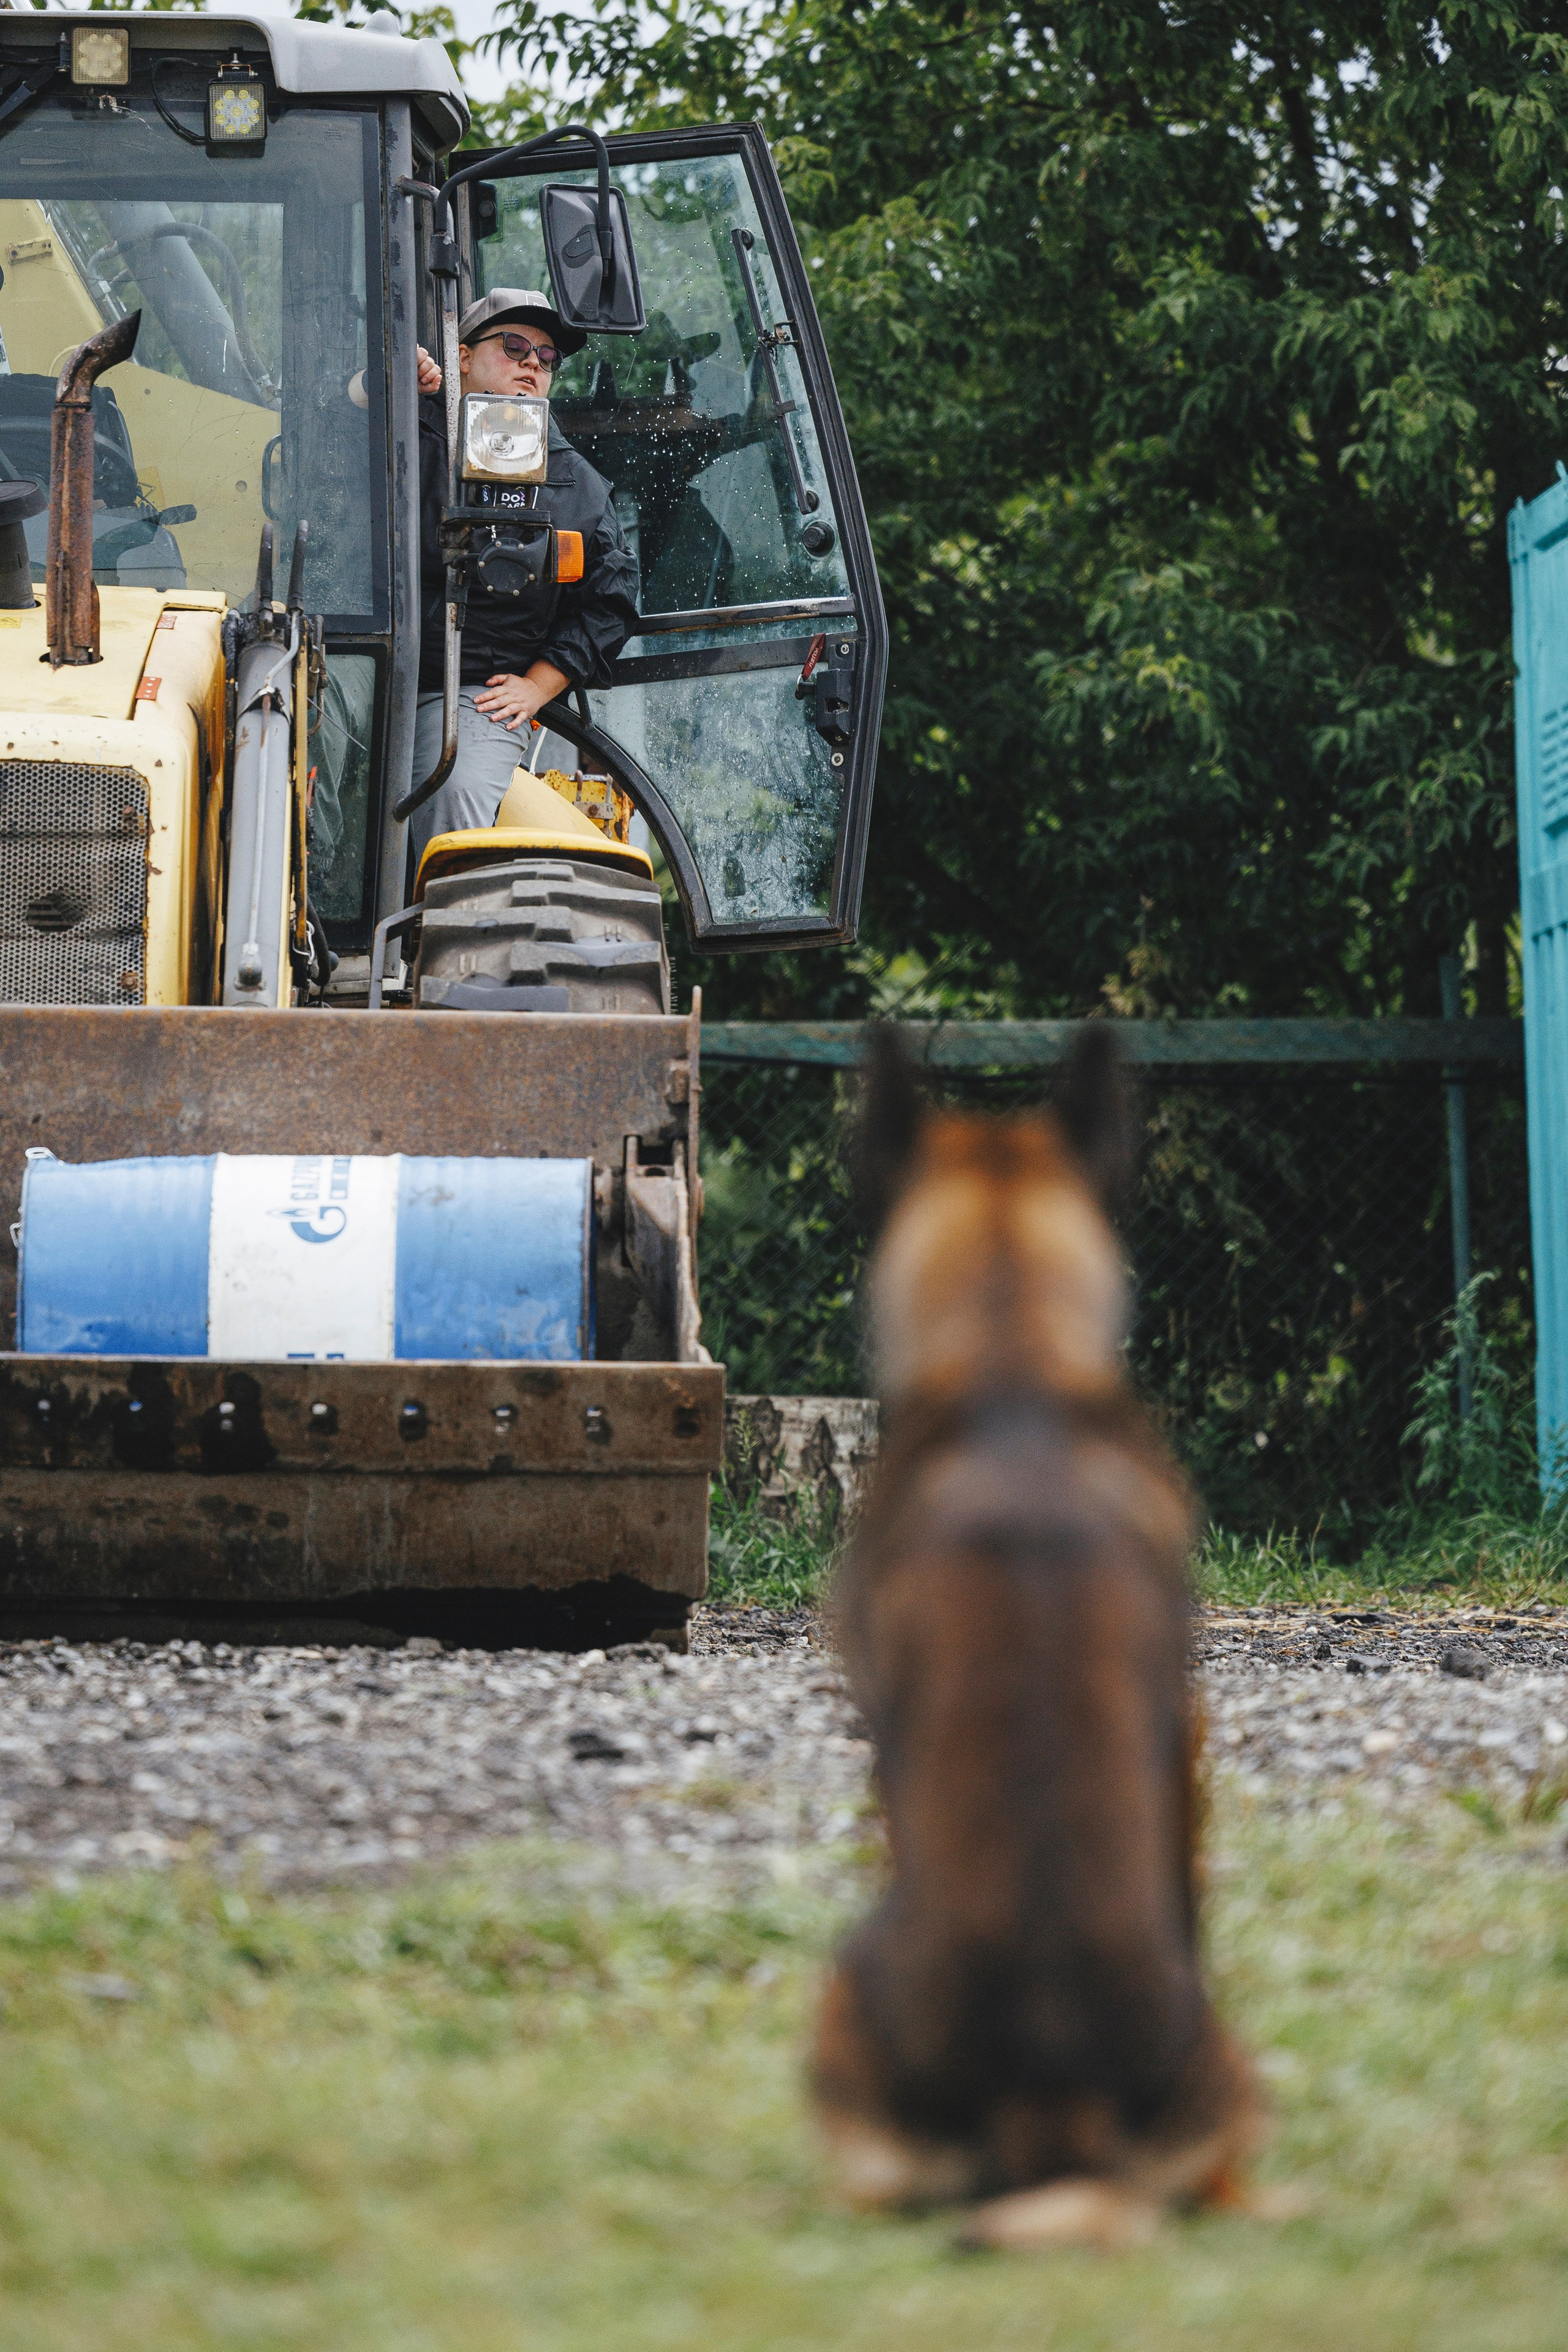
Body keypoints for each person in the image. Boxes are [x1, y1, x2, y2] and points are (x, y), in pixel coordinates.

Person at [409, 288, 639, 863]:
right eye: (514, 346)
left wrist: (538, 686)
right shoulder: (403, 433)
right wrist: (376, 388)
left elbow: (611, 601)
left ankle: (449, 916)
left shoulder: (576, 486)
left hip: (472, 692)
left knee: (454, 787)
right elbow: (324, 454)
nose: (533, 363)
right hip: (366, 669)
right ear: (462, 357)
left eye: (547, 356)